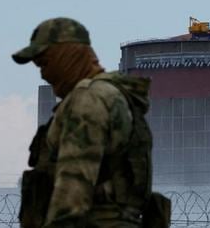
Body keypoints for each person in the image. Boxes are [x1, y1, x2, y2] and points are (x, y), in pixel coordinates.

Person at [12, 17, 162, 228]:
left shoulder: (88, 99)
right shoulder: (111, 95)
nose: (44, 74)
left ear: (68, 55)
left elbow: (73, 191)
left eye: (45, 63)